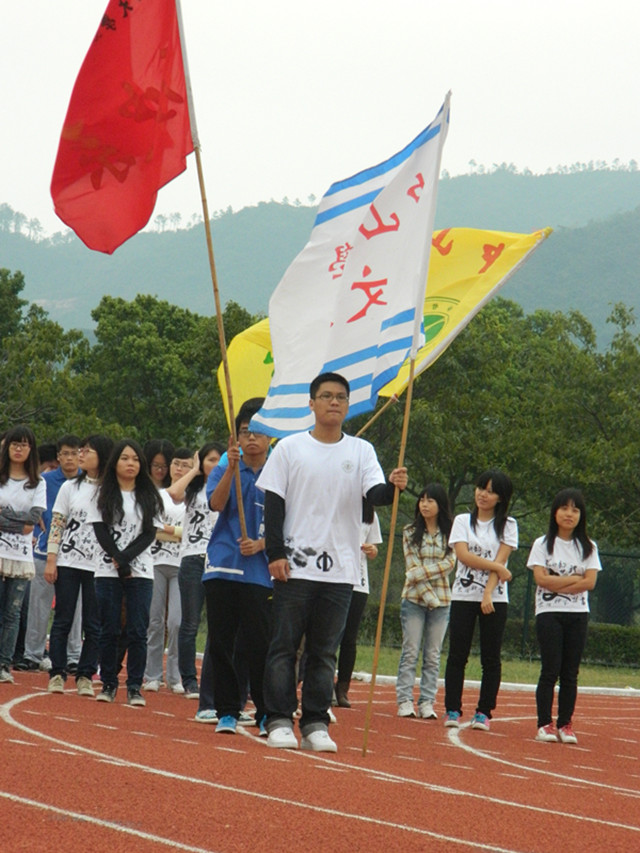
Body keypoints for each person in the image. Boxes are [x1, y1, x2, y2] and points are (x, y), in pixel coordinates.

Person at [257, 371, 408, 753]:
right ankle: (277, 719)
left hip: (341, 570)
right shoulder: (289, 448)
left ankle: (315, 723)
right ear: (312, 403)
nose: (334, 402)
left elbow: (374, 494)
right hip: (295, 567)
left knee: (324, 651)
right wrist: (274, 553)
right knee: (284, 646)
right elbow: (273, 505)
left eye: (341, 396)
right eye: (326, 396)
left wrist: (393, 486)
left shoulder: (361, 451)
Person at [203, 398, 272, 736]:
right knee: (221, 641)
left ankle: (263, 710)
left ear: (271, 436)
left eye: (259, 432)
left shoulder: (281, 470)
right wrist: (230, 469)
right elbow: (215, 504)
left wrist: (262, 544)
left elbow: (292, 523)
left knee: (259, 644)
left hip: (261, 571)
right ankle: (228, 709)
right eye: (245, 432)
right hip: (222, 566)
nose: (252, 439)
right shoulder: (228, 466)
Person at [89, 439, 163, 705]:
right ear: (115, 463)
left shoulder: (150, 496)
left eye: (135, 459)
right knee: (109, 628)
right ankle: (108, 683)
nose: (130, 463)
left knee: (137, 630)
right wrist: (118, 560)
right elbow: (100, 531)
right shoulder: (101, 493)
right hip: (107, 570)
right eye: (124, 458)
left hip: (140, 572)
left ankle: (134, 686)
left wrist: (126, 559)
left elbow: (149, 534)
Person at [443, 469, 517, 731]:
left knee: (490, 657)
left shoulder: (509, 525)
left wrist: (488, 592)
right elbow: (464, 556)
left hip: (495, 599)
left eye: (491, 490)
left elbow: (502, 560)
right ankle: (452, 709)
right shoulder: (463, 520)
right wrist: (497, 569)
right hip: (463, 596)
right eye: (481, 488)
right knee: (457, 655)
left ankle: (484, 712)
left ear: (501, 497)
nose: (483, 495)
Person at [527, 488, 601, 744]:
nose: (569, 514)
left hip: (577, 614)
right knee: (550, 669)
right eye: (564, 508)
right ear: (555, 512)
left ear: (581, 515)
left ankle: (565, 724)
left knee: (570, 672)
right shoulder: (541, 544)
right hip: (549, 613)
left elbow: (589, 582)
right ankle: (544, 724)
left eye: (575, 509)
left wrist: (557, 581)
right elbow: (540, 579)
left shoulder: (589, 547)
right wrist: (574, 580)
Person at [44, 435, 114, 696]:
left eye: (87, 451)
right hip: (68, 561)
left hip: (99, 566)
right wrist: (52, 559)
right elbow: (57, 523)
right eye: (80, 450)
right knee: (63, 618)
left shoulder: (111, 489)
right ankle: (57, 673)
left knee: (94, 623)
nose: (81, 454)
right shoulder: (70, 487)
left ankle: (85, 674)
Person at [168, 441, 223, 708]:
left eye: (218, 460)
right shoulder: (193, 489)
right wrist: (194, 468)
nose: (214, 465)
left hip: (219, 561)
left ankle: (217, 681)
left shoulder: (227, 488)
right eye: (209, 460)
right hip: (192, 558)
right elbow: (172, 494)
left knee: (218, 624)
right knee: (189, 623)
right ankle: (189, 679)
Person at [23, 434, 83, 672]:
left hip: (76, 553)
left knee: (74, 607)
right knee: (39, 604)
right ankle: (32, 653)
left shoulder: (88, 482)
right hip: (44, 550)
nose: (70, 458)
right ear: (58, 457)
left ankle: (73, 655)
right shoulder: (44, 481)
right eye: (65, 453)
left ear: (81, 455)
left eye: (75, 453)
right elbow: (31, 505)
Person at [396, 484, 455, 720]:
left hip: (442, 603)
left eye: (430, 500)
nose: (425, 504)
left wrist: (421, 576)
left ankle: (427, 701)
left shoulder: (451, 534)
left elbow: (449, 565)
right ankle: (404, 700)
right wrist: (429, 596)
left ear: (440, 505)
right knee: (410, 651)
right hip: (414, 600)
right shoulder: (409, 531)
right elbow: (411, 568)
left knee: (432, 654)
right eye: (422, 500)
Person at [143, 448, 192, 693]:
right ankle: (152, 674)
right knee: (154, 620)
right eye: (176, 464)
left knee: (176, 622)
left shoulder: (194, 499)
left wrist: (169, 530)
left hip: (182, 565)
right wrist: (177, 532)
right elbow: (151, 528)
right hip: (155, 563)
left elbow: (192, 534)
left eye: (185, 465)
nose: (179, 469)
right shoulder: (158, 495)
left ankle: (174, 676)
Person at [0, 425, 46, 683]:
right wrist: (20, 520)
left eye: (24, 444)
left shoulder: (37, 483)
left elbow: (32, 521)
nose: (18, 448)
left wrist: (5, 515)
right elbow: (25, 520)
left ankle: (4, 664)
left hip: (21, 556)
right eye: (14, 444)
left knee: (13, 612)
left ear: (31, 449)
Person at [333, 498, 382, 708]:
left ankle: (342, 688)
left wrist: (371, 550)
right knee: (329, 634)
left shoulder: (370, 514)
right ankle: (324, 686)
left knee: (349, 637)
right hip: (334, 577)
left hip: (358, 582)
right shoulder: (337, 505)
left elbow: (375, 549)